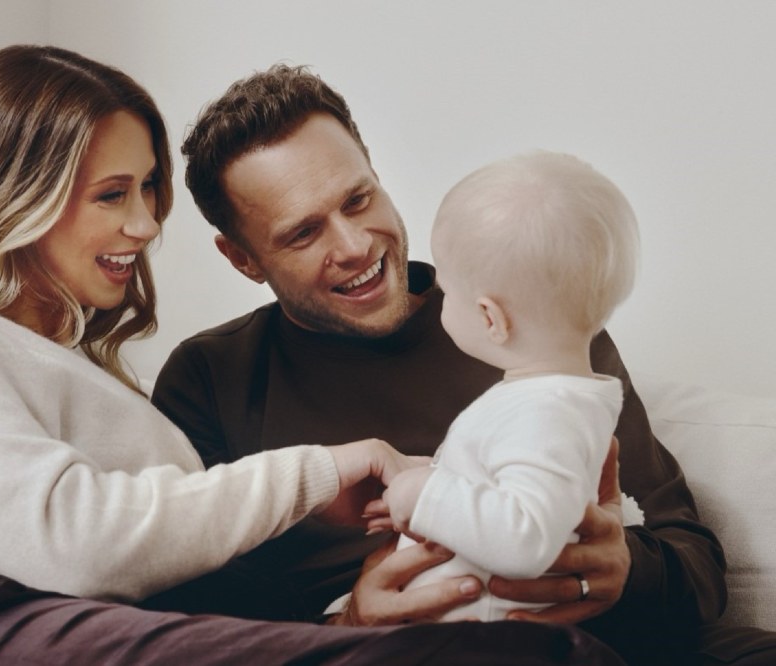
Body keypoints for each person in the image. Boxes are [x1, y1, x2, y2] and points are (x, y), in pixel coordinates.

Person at [0, 45, 625, 665]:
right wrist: (326, 488)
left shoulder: (540, 333)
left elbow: (207, 601)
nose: (148, 225)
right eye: (113, 194)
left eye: (149, 190)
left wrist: (615, 565)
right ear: (17, 198)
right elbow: (67, 542)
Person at [152, 63, 776, 664]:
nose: (354, 245)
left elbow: (692, 562)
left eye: (358, 199)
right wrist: (347, 630)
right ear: (242, 259)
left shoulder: (533, 318)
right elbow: (184, 622)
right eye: (303, 233)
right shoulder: (210, 377)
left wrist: (627, 570)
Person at [354, 151, 644, 623]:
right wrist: (438, 491)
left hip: (486, 646)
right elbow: (512, 493)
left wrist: (422, 495)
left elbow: (526, 537)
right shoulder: (549, 400)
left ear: (491, 318)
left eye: (446, 293)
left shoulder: (544, 414)